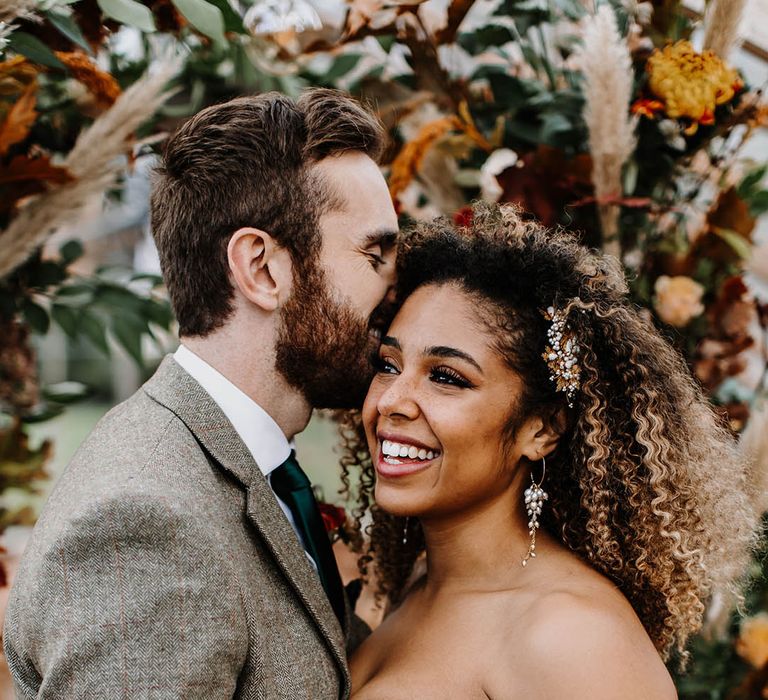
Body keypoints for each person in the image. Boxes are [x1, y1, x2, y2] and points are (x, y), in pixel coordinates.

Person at [4, 89, 399, 699]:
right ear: (262, 269)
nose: (395, 293)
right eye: (375, 255)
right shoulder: (145, 524)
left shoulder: (242, 464)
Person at [344, 202, 757, 699]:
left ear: (541, 429)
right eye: (388, 365)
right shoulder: (416, 585)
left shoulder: (570, 635)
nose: (390, 401)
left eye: (447, 378)